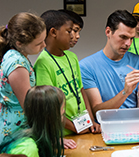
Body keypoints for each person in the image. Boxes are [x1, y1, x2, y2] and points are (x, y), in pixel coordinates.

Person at [33, 10, 99, 146]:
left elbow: (81, 90)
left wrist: (91, 121)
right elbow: (48, 107)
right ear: (53, 32)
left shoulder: (72, 57)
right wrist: (76, 128)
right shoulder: (43, 63)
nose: (73, 36)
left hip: (83, 129)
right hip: (64, 135)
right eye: (69, 31)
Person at [79, 10, 139, 115]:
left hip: (136, 127)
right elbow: (97, 110)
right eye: (123, 37)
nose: (128, 44)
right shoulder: (86, 66)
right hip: (106, 128)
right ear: (108, 32)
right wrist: (125, 92)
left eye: (131, 38)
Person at [0, 13, 46, 145]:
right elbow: (29, 106)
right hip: (17, 131)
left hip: (14, 126)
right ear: (19, 43)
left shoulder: (15, 55)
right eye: (38, 43)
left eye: (44, 40)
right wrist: (51, 137)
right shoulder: (17, 65)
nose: (44, 45)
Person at [0, 85, 65, 157]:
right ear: (50, 117)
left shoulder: (37, 138)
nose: (63, 111)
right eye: (61, 110)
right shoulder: (28, 148)